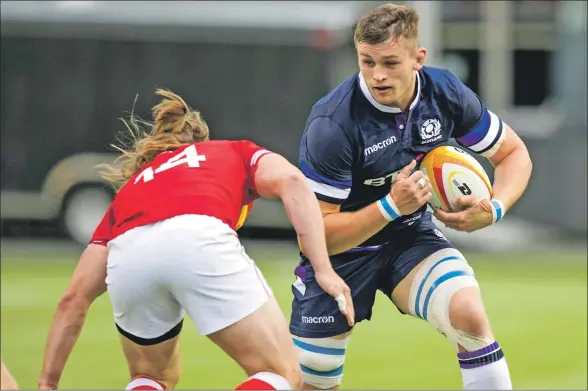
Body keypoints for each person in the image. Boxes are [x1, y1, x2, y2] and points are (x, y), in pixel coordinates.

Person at [38, 89, 355, 390]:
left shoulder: (133, 188)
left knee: (151, 376)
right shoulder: (232, 150)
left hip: (129, 251)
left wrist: (47, 383)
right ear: (201, 141)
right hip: (198, 236)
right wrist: (323, 269)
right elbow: (292, 180)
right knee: (280, 372)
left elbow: (74, 299)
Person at [288, 3, 532, 390]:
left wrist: (495, 208)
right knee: (315, 375)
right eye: (366, 62)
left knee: (468, 315)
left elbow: (513, 154)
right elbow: (317, 234)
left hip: (409, 237)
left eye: (389, 62)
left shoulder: (444, 92)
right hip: (339, 256)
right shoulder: (332, 123)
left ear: (419, 58)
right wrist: (389, 206)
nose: (376, 75)